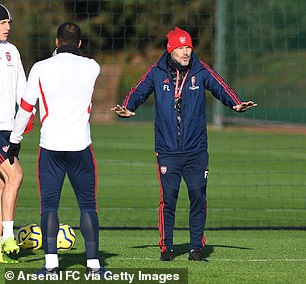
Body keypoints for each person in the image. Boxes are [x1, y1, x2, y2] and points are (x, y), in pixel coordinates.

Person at [111, 27, 257, 261]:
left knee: (198, 196)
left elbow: (221, 87)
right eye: (180, 47)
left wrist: (236, 104)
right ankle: (166, 248)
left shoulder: (201, 70)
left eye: (188, 46)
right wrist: (128, 108)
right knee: (169, 198)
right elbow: (138, 91)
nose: (186, 51)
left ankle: (195, 248)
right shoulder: (156, 72)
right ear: (170, 50)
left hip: (196, 149)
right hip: (167, 149)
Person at [8, 22, 105, 276]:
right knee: (88, 205)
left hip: (50, 146)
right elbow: (74, 65)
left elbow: (27, 108)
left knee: (49, 205)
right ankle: (93, 265)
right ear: (80, 43)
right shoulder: (92, 67)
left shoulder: (41, 68)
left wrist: (15, 140)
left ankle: (51, 264)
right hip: (81, 146)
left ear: (55, 41)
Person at [0, 3, 29, 263]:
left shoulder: (12, 52)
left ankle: (0, 242)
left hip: (9, 129)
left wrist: (27, 118)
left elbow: (23, 89)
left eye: (9, 22)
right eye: (2, 23)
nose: (8, 27)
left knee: (2, 183)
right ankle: (8, 237)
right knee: (16, 175)